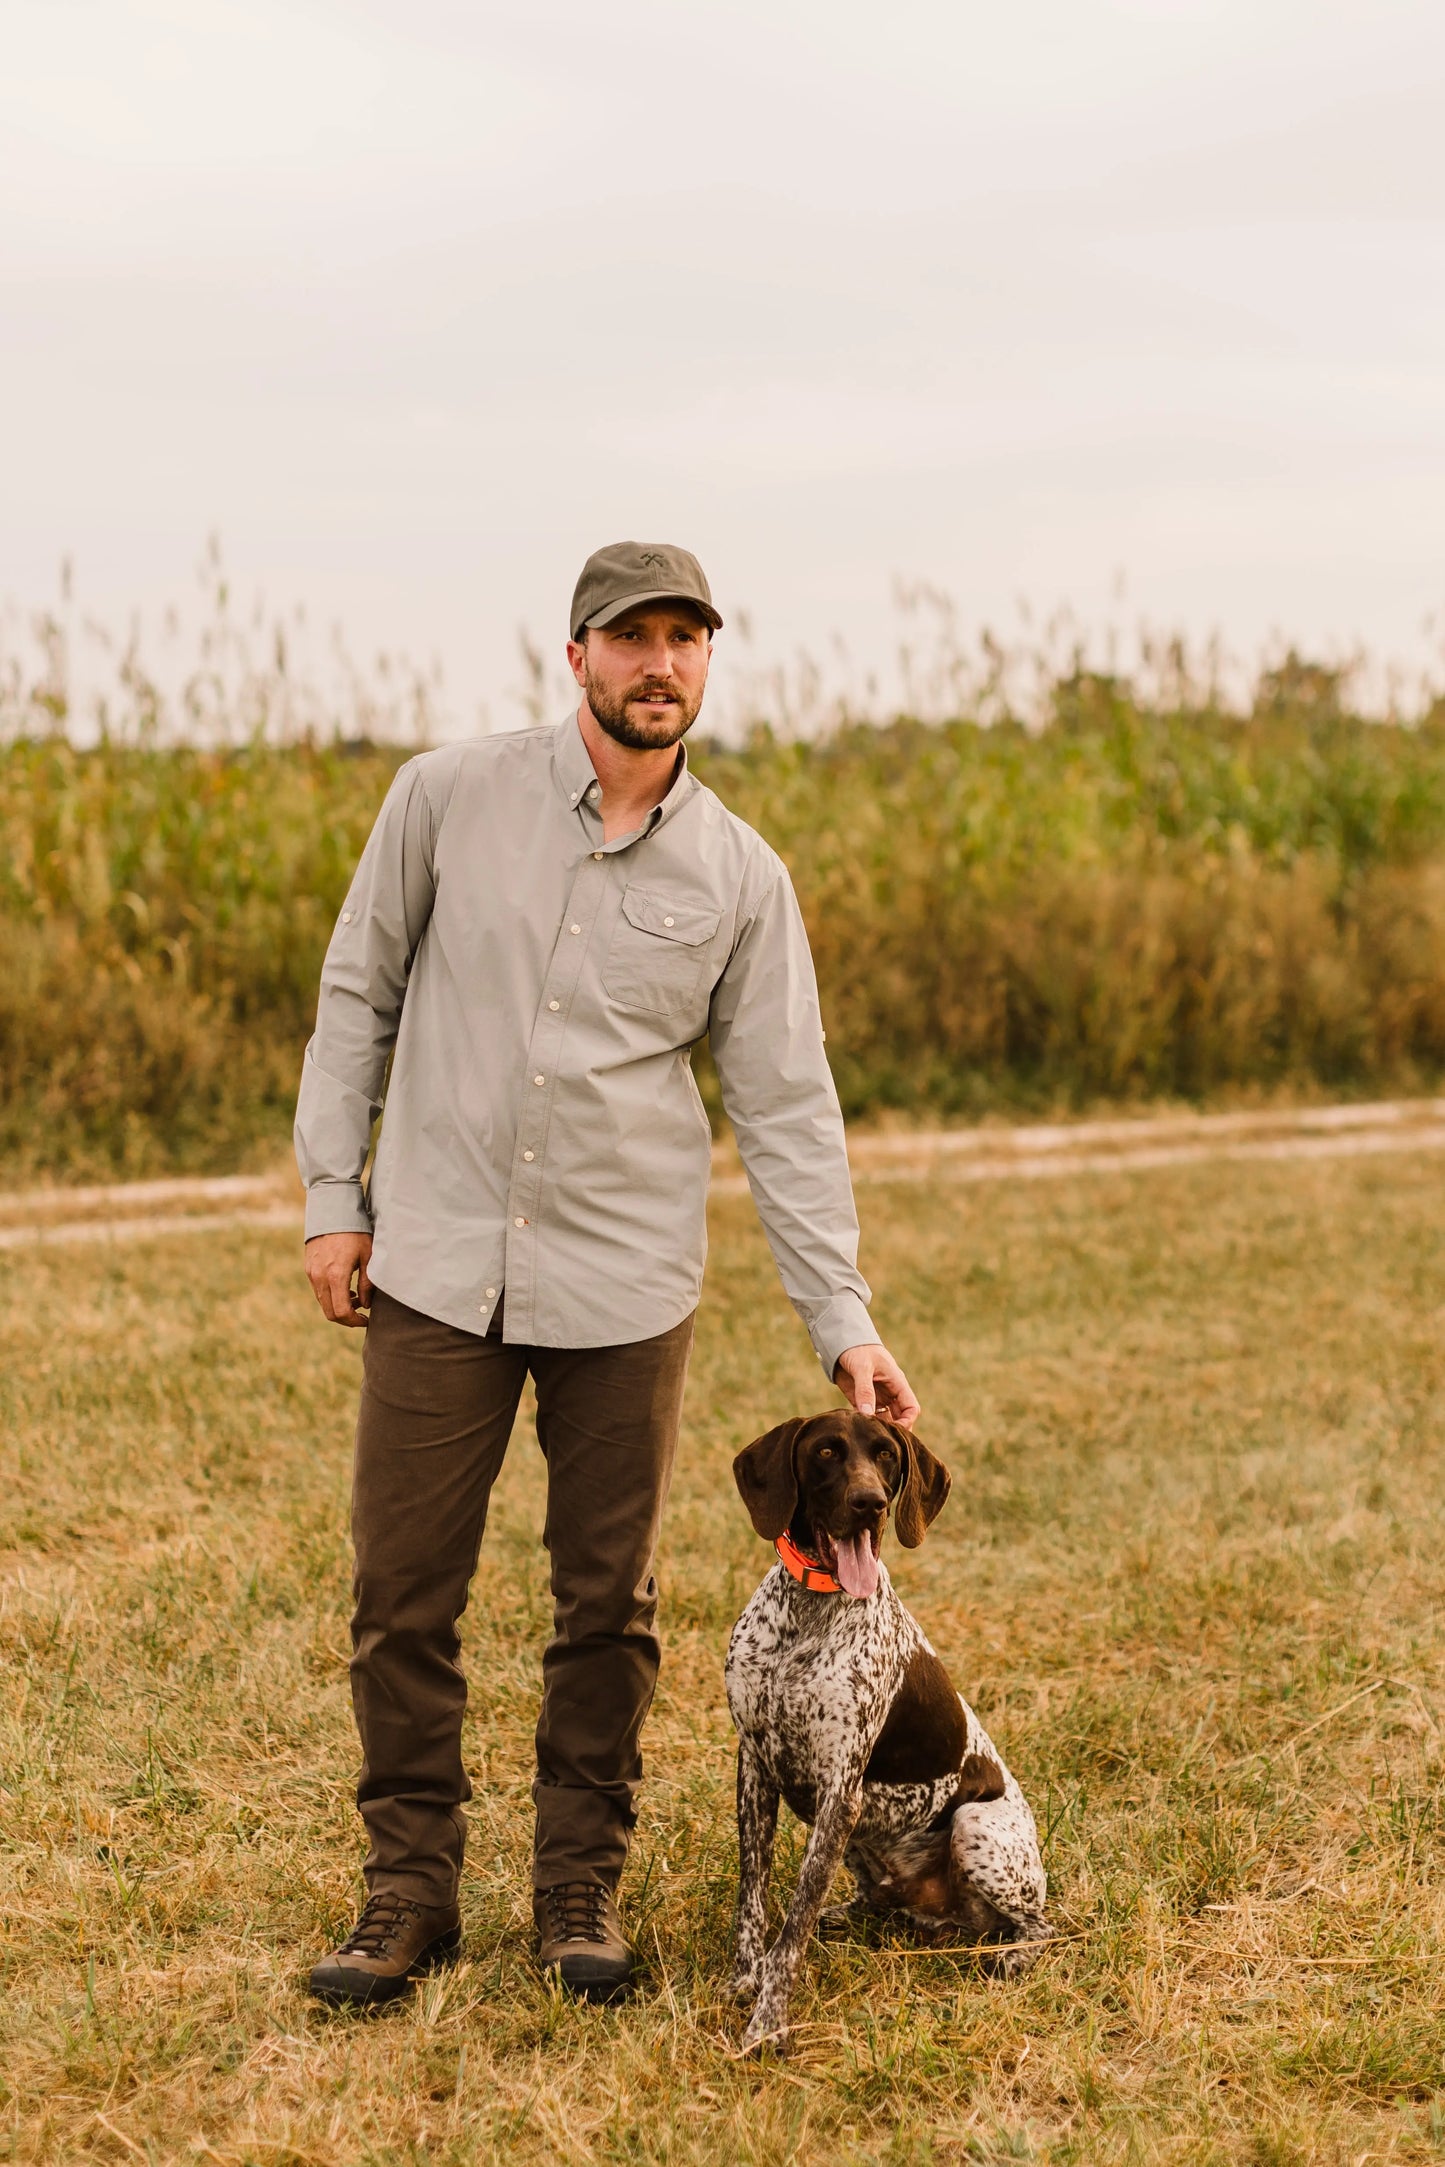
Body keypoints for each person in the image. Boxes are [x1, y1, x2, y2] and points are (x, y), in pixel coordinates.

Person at [295, 540, 919, 2008]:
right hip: (439, 1263)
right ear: (576, 654)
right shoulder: (444, 797)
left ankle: (578, 1891)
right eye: (631, 637)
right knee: (402, 1594)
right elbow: (358, 990)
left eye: (685, 638)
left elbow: (786, 1106)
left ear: (707, 659)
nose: (659, 664)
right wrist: (335, 1197)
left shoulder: (739, 874)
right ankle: (407, 1892)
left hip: (625, 1286)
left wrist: (841, 1319)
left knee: (606, 1608)